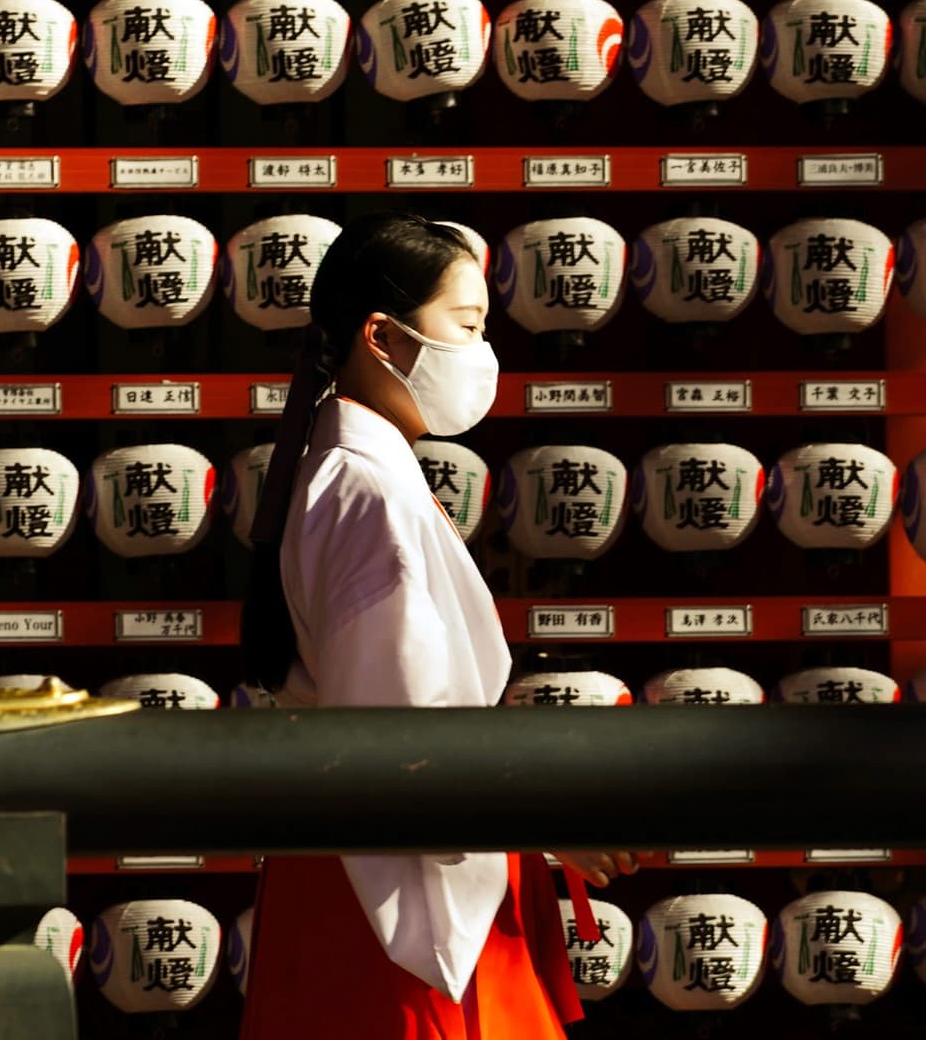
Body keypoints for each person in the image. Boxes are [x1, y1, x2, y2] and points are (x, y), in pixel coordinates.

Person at [238, 211, 636, 1039]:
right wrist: (543, 816)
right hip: (397, 889)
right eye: (467, 326)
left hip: (362, 867)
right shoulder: (370, 494)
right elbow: (400, 737)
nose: (481, 353)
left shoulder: (352, 470)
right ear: (382, 337)